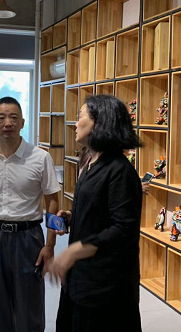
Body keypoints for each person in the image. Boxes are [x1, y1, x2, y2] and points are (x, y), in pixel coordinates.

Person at [0, 96, 61, 332]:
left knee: (30, 303)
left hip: (29, 238)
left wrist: (50, 246)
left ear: (22, 123)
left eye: (13, 117)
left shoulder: (40, 157)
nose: (7, 123)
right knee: (0, 303)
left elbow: (53, 202)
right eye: (1, 117)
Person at [49, 94, 143, 332]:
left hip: (105, 288)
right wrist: (72, 218)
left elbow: (123, 230)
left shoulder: (120, 171)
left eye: (80, 116)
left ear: (99, 123)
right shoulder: (90, 163)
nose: (75, 124)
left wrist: (74, 251)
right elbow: (99, 213)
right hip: (80, 279)